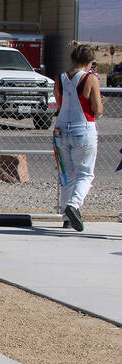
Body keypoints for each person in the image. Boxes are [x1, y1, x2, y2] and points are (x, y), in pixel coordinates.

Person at [53, 44, 103, 231]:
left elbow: (59, 102)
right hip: (84, 129)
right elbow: (97, 109)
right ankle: (74, 204)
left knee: (66, 174)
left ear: (72, 59)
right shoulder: (91, 79)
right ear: (89, 62)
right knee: (85, 173)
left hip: (61, 129)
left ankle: (66, 216)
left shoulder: (60, 78)